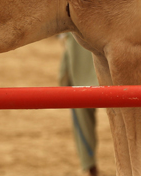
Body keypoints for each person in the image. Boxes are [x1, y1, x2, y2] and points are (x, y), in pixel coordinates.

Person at [57, 33, 100, 176]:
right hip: (118, 79)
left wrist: (63, 80)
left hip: (81, 79)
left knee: (81, 118)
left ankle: (90, 166)